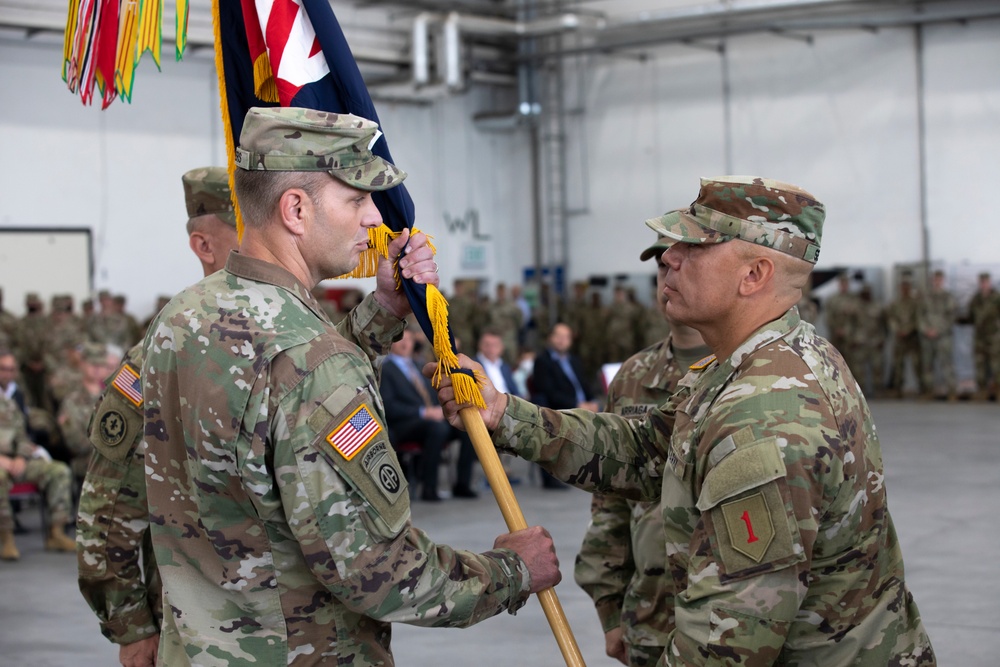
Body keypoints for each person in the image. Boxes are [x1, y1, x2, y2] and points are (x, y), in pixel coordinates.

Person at [433, 176, 934, 665]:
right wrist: (504, 414)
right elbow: (646, 451)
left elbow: (727, 643)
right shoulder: (751, 364)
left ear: (753, 275)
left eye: (696, 247)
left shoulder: (765, 416)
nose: (669, 257)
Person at [141, 108, 559, 666]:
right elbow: (375, 572)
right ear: (295, 209)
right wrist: (511, 572)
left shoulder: (183, 318)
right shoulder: (313, 362)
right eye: (355, 199)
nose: (371, 218)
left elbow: (277, 395)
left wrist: (384, 307)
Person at [76, 166, 240, 667]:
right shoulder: (171, 343)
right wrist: (130, 624)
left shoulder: (291, 326)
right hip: (200, 623)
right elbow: (111, 498)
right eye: (246, 233)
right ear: (204, 246)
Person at [574, 234, 709, 667]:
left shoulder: (751, 371)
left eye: (683, 264)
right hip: (651, 617)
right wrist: (610, 610)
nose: (669, 277)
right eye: (662, 268)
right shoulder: (634, 375)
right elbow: (610, 500)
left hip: (735, 617)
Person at [380, 327, 478, 501]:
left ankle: (463, 484)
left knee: (467, 427)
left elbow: (434, 394)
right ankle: (429, 488)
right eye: (400, 339)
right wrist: (423, 412)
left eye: (409, 339)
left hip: (432, 418)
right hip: (404, 423)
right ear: (391, 342)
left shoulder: (419, 365)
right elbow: (388, 405)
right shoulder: (385, 369)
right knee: (437, 429)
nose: (405, 343)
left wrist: (441, 409)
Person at [0, 348, 76, 561]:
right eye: (3, 369)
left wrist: (21, 457)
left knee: (59, 471)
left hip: (16, 460)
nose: (8, 374)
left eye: (12, 369)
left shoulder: (10, 403)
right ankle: (6, 538)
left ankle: (56, 532)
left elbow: (23, 435)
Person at [529, 321, 598, 489]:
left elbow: (585, 385)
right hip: (559, 408)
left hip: (583, 406)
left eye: (566, 337)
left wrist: (593, 401)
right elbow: (548, 391)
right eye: (558, 336)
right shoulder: (542, 361)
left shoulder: (574, 360)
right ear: (550, 338)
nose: (562, 340)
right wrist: (577, 404)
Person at [918, 269, 958, 400]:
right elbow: (919, 315)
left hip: (943, 336)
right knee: (927, 365)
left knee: (947, 364)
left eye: (939, 279)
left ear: (943, 280)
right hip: (927, 336)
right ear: (932, 280)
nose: (937, 282)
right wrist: (926, 330)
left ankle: (952, 392)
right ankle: (928, 391)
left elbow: (951, 317)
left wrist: (938, 330)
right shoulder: (925, 296)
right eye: (935, 279)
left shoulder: (948, 296)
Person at [886, 275, 924, 398]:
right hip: (899, 338)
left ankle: (922, 388)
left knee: (917, 364)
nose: (905, 289)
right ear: (900, 288)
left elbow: (918, 318)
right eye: (903, 287)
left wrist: (908, 329)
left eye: (907, 286)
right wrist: (898, 329)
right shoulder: (895, 303)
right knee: (898, 364)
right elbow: (891, 319)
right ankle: (898, 389)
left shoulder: (915, 303)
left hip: (912, 338)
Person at [967, 271, 1000, 401]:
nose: (984, 284)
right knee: (980, 365)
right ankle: (982, 391)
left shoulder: (996, 297)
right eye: (981, 282)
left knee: (996, 365)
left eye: (986, 282)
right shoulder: (975, 299)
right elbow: (970, 316)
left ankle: (998, 391)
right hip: (979, 337)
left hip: (993, 337)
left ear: (989, 282)